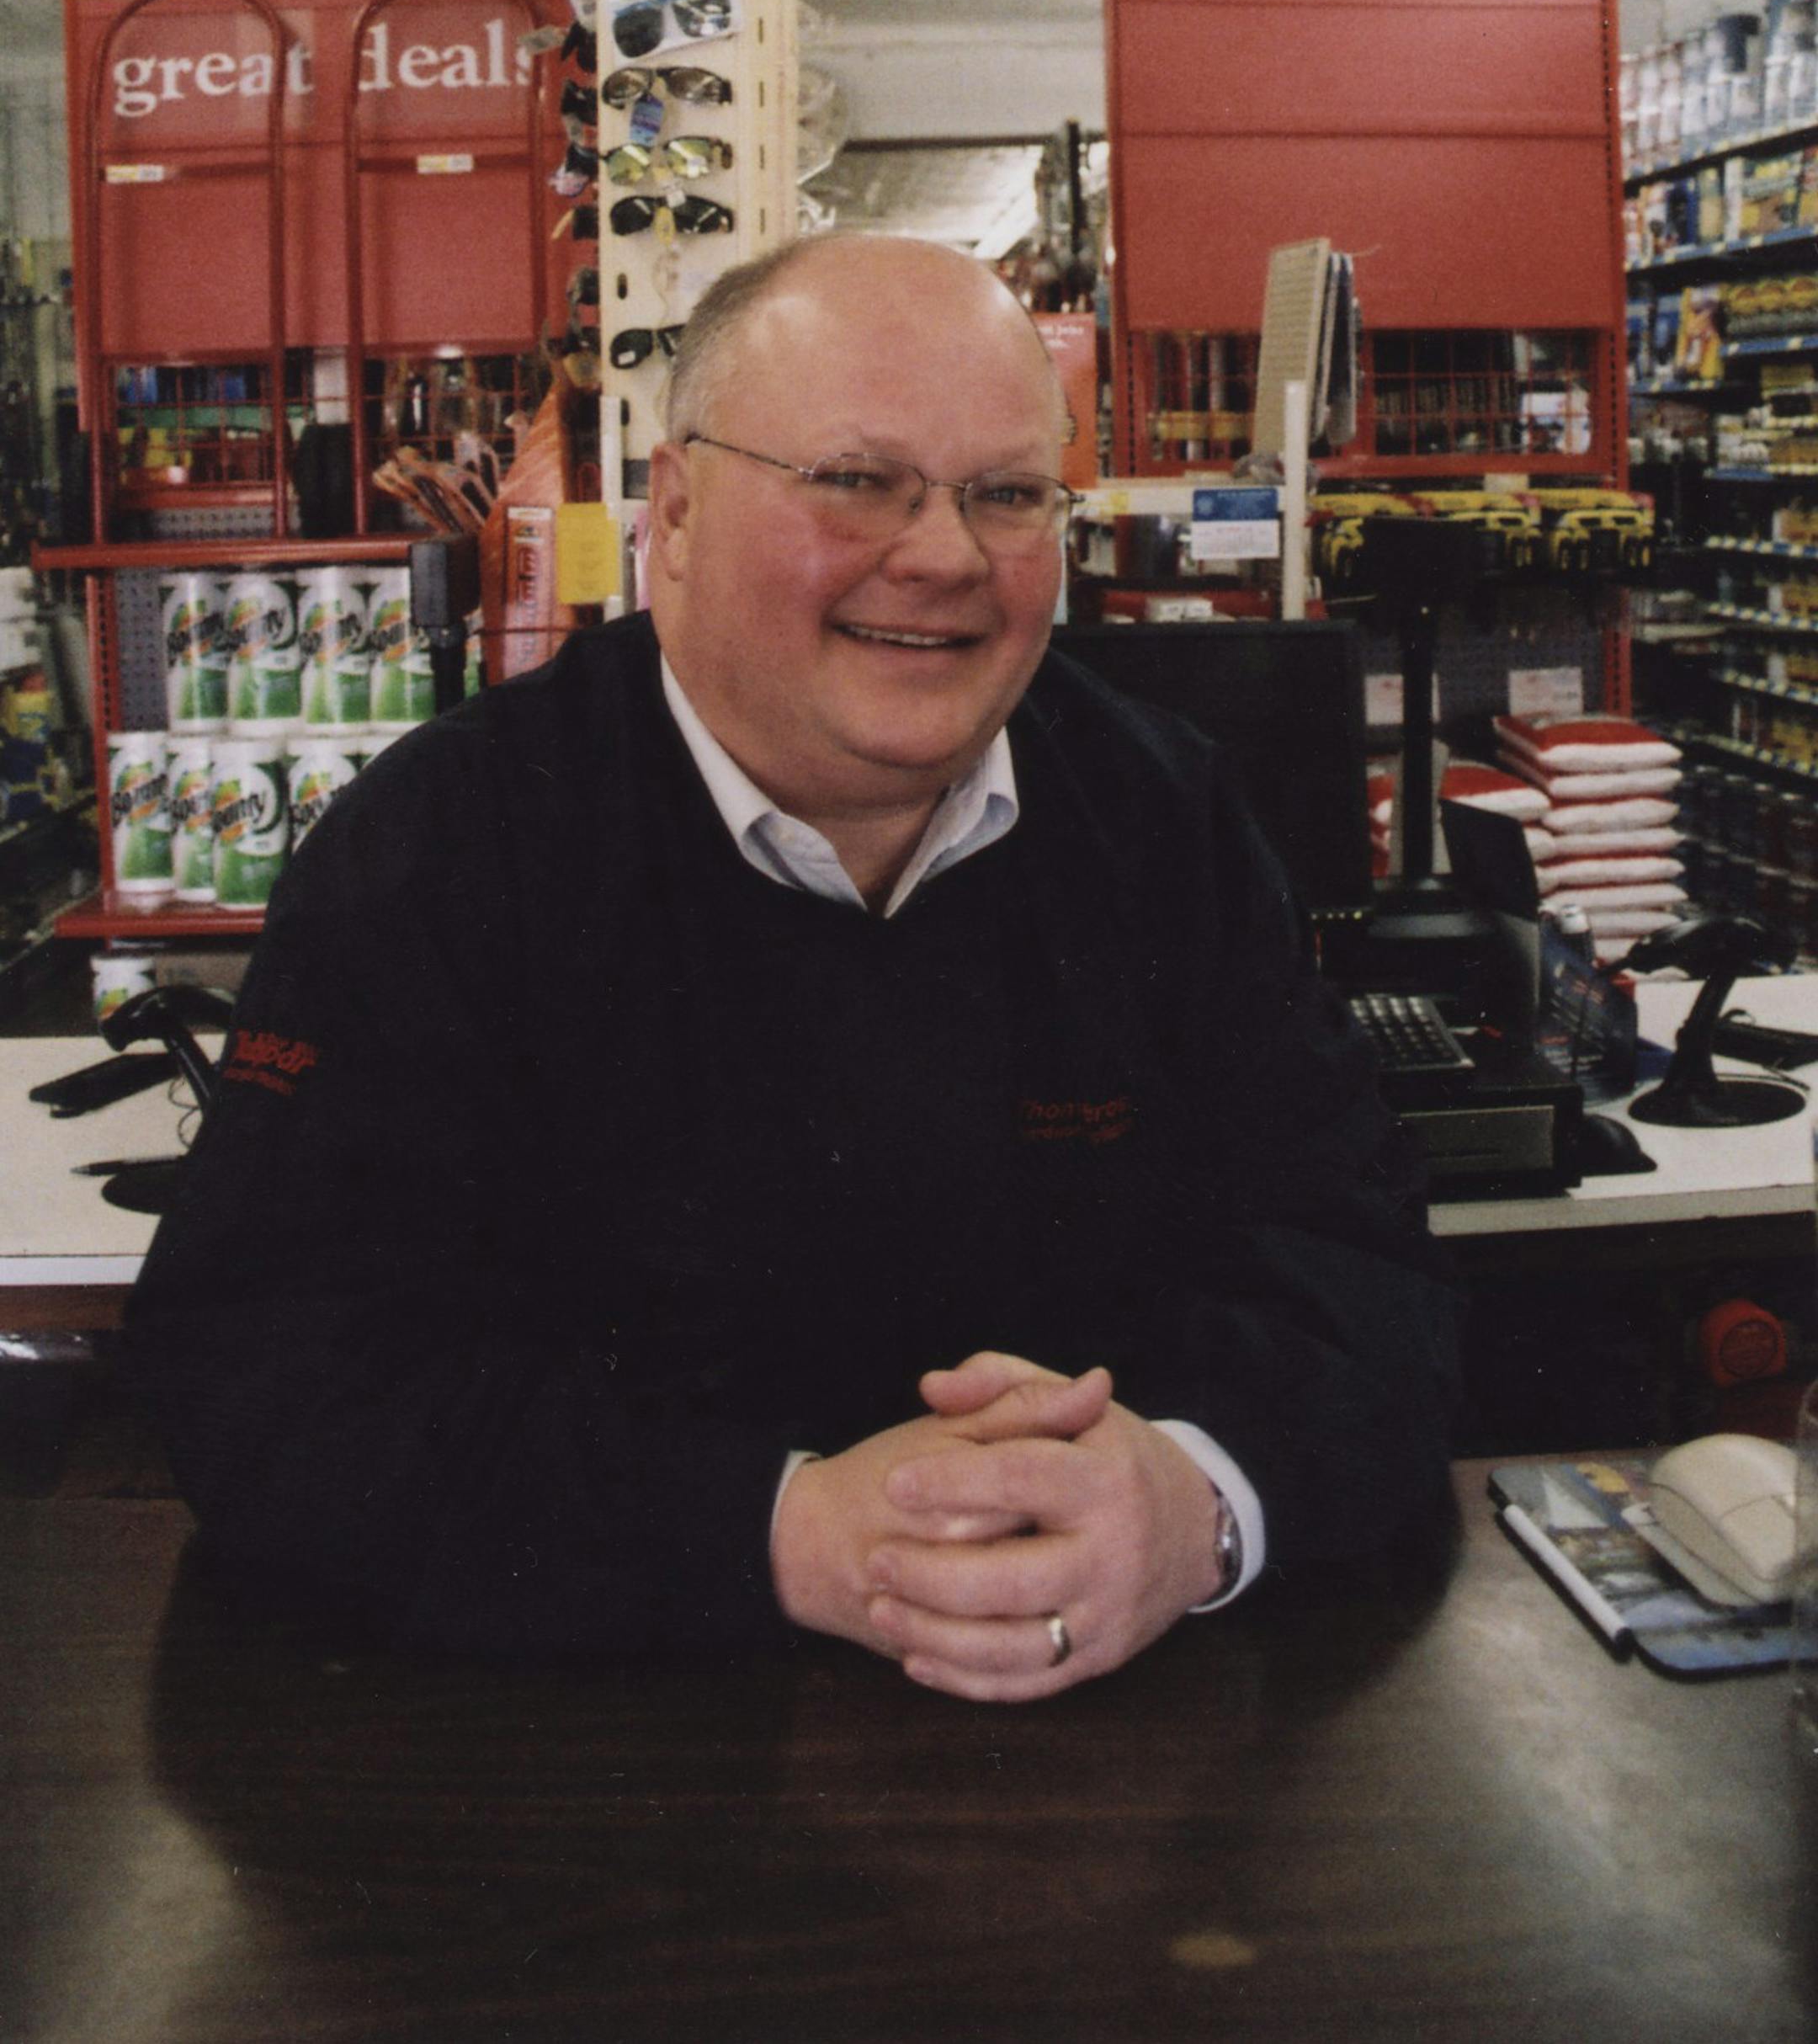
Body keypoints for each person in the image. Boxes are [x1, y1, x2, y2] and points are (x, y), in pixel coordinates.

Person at [127, 234, 1459, 1702]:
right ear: (679, 514)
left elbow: (1364, 1266)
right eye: (854, 479)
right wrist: (784, 1532)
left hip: (1123, 1786)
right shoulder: (442, 853)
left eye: (1008, 493)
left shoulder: (1165, 821)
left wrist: (1196, 1498)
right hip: (580, 1815)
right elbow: (267, 1376)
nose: (945, 554)